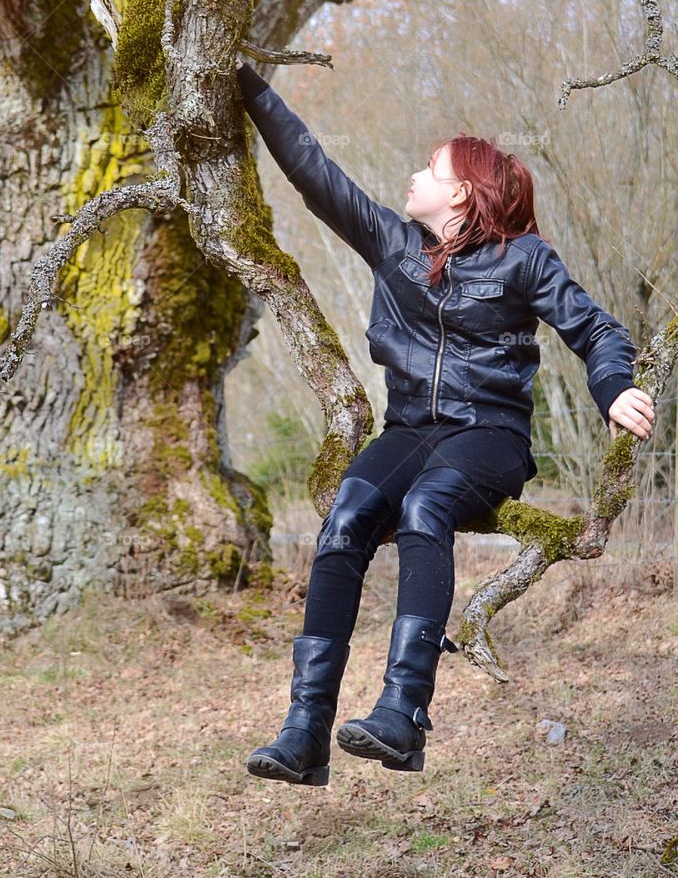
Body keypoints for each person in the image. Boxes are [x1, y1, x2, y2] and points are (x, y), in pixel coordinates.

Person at [236, 59, 656, 786]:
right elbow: (312, 169)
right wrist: (245, 84)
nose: (413, 177)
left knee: (426, 506)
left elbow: (595, 332)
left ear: (461, 190)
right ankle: (303, 734)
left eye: (429, 169)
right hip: (409, 431)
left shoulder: (524, 260)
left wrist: (613, 387)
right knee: (343, 519)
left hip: (489, 435)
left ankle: (403, 716)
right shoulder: (392, 245)